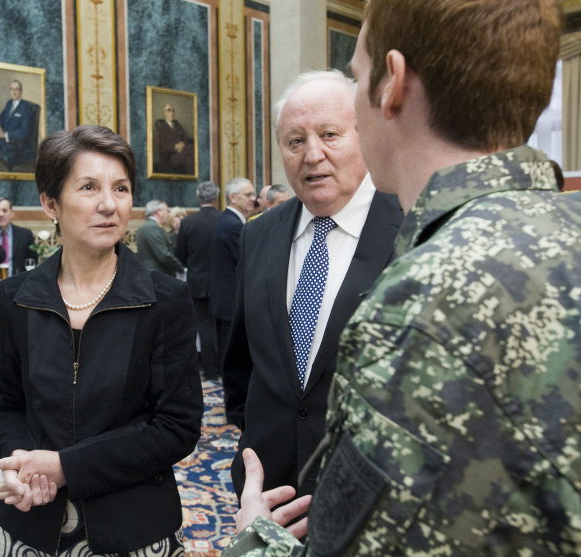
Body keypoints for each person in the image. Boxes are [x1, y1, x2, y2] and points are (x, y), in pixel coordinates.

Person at [228, 0, 581, 554]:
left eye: (357, 74)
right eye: (295, 140)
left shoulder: (417, 298)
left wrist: (256, 538)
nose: (313, 154)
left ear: (391, 83)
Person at [0, 125, 203, 557]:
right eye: (88, 187)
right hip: (34, 523)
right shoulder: (15, 297)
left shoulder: (164, 299)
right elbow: (4, 404)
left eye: (121, 188)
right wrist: (20, 462)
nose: (109, 204)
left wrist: (65, 467)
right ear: (51, 203)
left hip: (134, 528)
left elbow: (176, 426)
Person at [222, 70, 402, 500]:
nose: (312, 154)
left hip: (368, 497)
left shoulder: (412, 229)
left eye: (329, 134)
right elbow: (241, 363)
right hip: (267, 490)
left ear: (363, 135)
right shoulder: (258, 233)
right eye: (295, 141)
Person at [175, 181, 221, 379]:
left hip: (197, 281)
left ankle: (210, 370)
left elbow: (180, 254)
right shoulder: (224, 219)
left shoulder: (188, 222)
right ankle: (223, 367)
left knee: (204, 327)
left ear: (198, 198)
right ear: (216, 198)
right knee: (223, 327)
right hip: (223, 282)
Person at [209, 177, 255, 371]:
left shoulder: (227, 220)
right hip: (231, 298)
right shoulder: (233, 225)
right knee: (233, 359)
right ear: (233, 197)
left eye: (254, 194)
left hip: (225, 297)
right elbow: (246, 262)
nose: (253, 199)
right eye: (248, 195)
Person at [0, 79, 39, 171]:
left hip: (13, 143)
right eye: (11, 89)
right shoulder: (9, 103)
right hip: (2, 139)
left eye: (16, 89)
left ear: (21, 92)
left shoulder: (26, 109)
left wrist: (4, 135)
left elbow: (24, 132)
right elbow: (0, 117)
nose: (13, 92)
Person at [135, 199, 185, 276]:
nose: (168, 214)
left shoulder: (148, 225)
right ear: (158, 211)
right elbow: (164, 256)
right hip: (158, 275)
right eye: (167, 211)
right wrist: (182, 268)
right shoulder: (153, 227)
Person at [0, 197, 38, 276]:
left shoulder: (25, 235)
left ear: (12, 213)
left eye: (4, 210)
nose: (1, 214)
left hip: (20, 281)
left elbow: (32, 262)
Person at [154, 103, 195, 175]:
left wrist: (182, 145)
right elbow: (162, 146)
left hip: (183, 152)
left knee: (189, 159)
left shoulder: (177, 124)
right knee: (191, 148)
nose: (172, 113)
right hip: (171, 158)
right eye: (169, 110)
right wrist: (176, 146)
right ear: (164, 114)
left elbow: (185, 138)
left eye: (173, 110)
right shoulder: (161, 126)